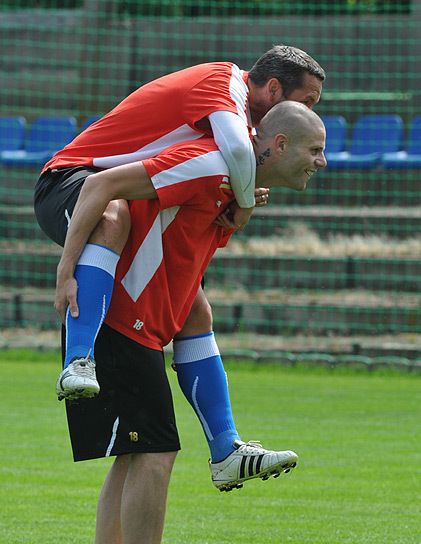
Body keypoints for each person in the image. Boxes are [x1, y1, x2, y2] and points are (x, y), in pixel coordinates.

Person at [52, 101, 326, 544]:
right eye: (315, 149)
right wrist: (67, 272)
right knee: (156, 455)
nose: (323, 162)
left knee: (133, 458)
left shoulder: (233, 189)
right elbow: (102, 184)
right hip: (120, 323)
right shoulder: (208, 162)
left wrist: (243, 203)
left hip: (145, 328)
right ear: (281, 144)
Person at [34, 44, 325, 474]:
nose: (308, 112)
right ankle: (78, 359)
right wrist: (244, 202)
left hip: (114, 189)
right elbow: (240, 155)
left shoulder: (238, 128)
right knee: (112, 219)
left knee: (194, 307)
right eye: (306, 101)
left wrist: (242, 194)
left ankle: (226, 449)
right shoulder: (224, 85)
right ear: (274, 88)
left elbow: (229, 162)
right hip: (74, 176)